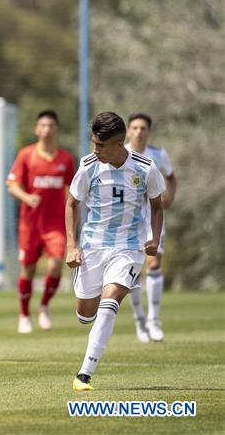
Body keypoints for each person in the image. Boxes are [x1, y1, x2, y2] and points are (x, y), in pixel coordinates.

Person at [66, 112, 165, 391]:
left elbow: (157, 207)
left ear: (119, 144)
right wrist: (71, 245)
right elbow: (72, 203)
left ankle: (84, 374)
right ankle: (91, 313)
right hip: (93, 247)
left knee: (110, 303)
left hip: (129, 247)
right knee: (86, 314)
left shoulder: (146, 168)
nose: (95, 150)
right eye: (94, 143)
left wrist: (154, 239)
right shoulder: (88, 166)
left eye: (100, 145)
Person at [6, 110, 75, 333]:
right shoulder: (26, 155)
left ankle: (44, 306)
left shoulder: (65, 159)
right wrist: (27, 197)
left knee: (56, 264)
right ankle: (24, 315)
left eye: (50, 125)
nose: (46, 129)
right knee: (28, 270)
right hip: (30, 225)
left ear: (57, 129)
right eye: (42, 125)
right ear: (37, 129)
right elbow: (12, 185)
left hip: (55, 225)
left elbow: (72, 192)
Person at [125, 112, 177, 343]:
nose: (138, 132)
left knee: (154, 263)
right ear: (128, 131)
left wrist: (170, 197)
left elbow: (171, 177)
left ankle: (154, 321)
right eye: (134, 128)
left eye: (143, 128)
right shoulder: (120, 154)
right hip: (127, 219)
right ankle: (139, 320)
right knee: (132, 271)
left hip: (153, 216)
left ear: (149, 132)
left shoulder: (158, 154)